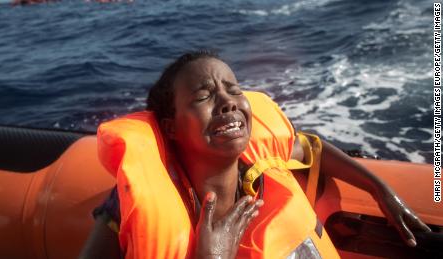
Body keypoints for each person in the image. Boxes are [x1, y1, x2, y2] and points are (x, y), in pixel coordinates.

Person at [80, 50, 431, 259]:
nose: (228, 101)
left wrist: (381, 191)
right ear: (171, 127)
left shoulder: (261, 162)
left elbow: (312, 146)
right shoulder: (130, 204)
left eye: (233, 89)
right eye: (204, 96)